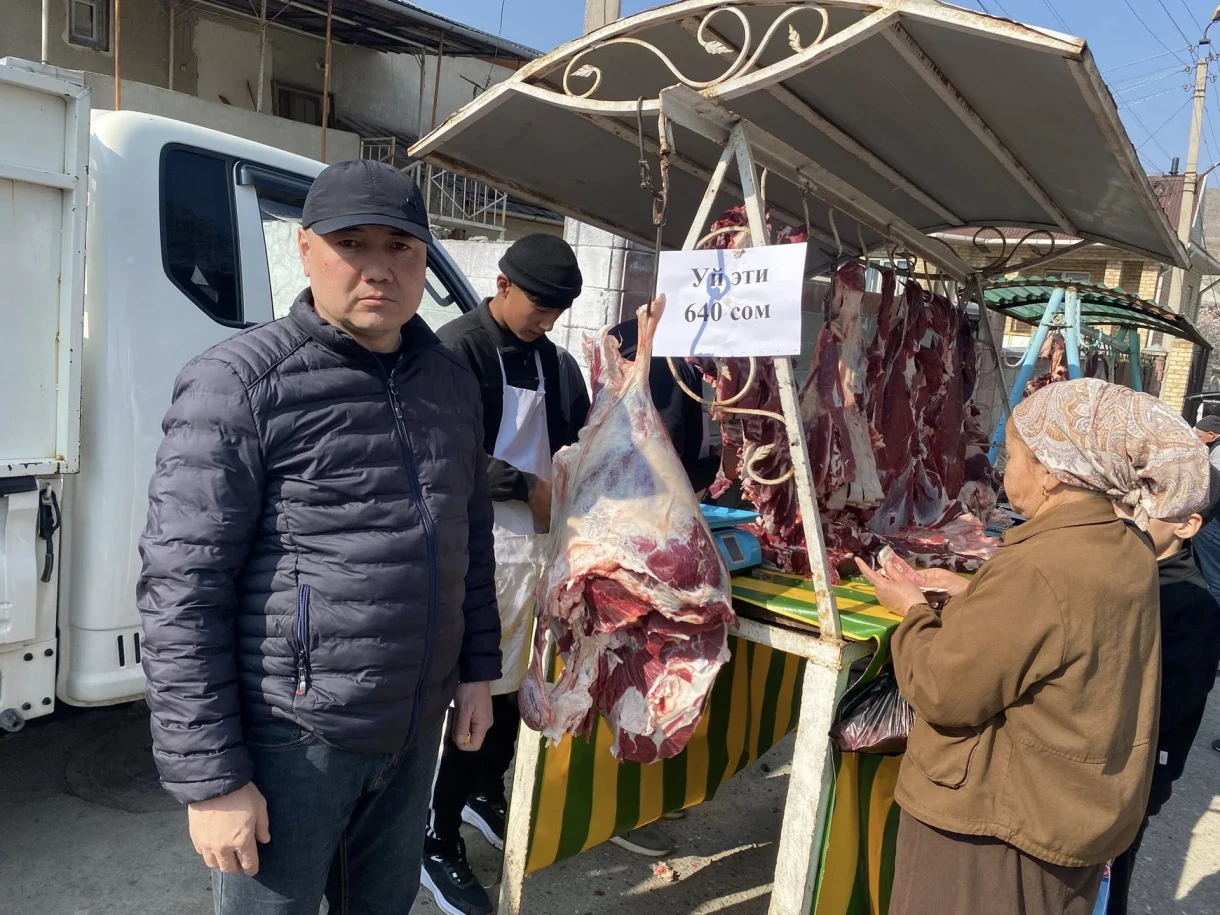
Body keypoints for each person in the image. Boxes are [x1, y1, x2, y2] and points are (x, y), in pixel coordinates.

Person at [137, 160, 500, 915]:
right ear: (305, 249)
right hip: (291, 738)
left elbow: (469, 539)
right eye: (351, 243)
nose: (379, 268)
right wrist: (212, 780)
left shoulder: (449, 382)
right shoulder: (240, 384)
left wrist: (475, 672)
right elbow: (182, 590)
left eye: (400, 246)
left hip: (411, 731)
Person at [858, 378, 1210, 915]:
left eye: (1014, 453)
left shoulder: (1039, 567)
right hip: (1063, 818)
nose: (1005, 467)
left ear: (1050, 473)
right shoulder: (1128, 546)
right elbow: (1071, 624)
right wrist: (976, 594)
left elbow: (942, 690)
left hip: (996, 832)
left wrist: (911, 610)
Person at [423, 233, 592, 915]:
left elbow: (577, 440)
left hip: (537, 555)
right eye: (539, 307)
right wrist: (525, 485)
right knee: (472, 700)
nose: (546, 322)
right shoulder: (456, 349)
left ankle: (482, 792)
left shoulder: (556, 362)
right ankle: (435, 837)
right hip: (475, 551)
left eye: (557, 312)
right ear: (502, 285)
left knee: (518, 693)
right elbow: (442, 452)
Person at [1106, 471, 1220, 915]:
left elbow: (1166, 706)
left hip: (1132, 775)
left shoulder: (1190, 605)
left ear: (1187, 525)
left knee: (1107, 877)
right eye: (1122, 500)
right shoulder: (1123, 571)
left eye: (1143, 506)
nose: (1124, 514)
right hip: (1098, 766)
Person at [1191, 415, 1220, 596]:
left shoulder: (1218, 452)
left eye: (1199, 437)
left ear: (1212, 435)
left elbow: (1213, 485)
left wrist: (1202, 515)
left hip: (1213, 520)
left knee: (1213, 578)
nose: (1196, 440)